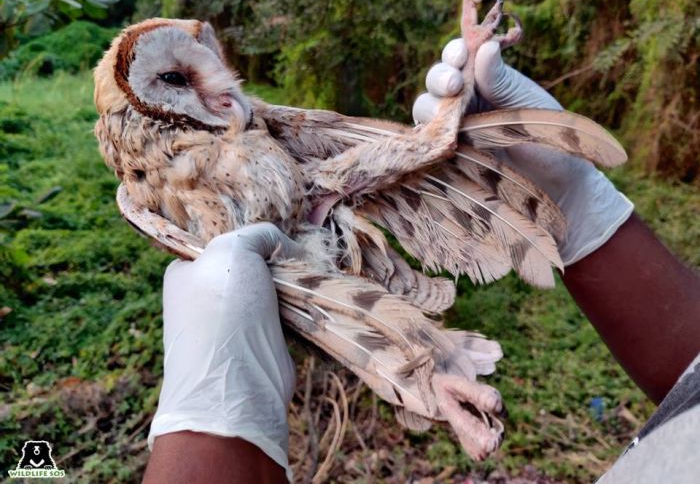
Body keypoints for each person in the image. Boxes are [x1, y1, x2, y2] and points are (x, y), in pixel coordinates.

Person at [141, 39, 700, 484]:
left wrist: (209, 427)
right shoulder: (145, 189)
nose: (220, 93)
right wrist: (593, 222)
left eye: (213, 71)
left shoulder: (257, 127)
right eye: (176, 79)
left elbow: (345, 161)